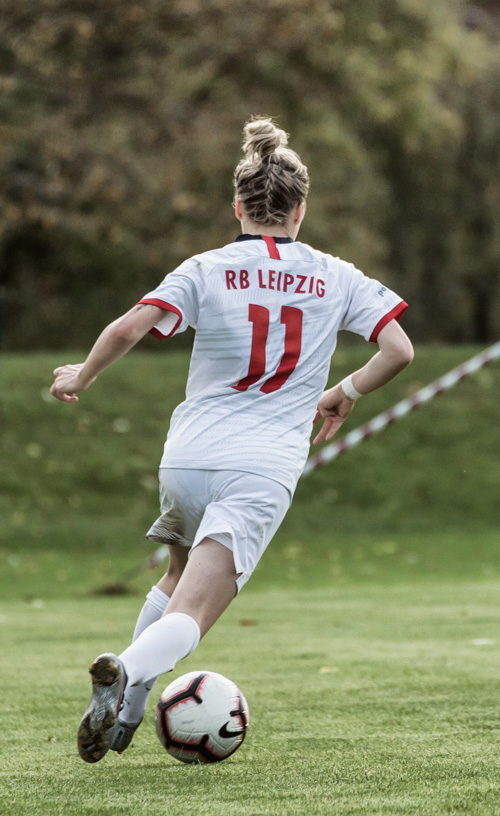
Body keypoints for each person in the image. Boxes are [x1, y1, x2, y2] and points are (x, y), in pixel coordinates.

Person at [52, 119, 413, 761]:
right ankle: (125, 672)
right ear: (301, 208)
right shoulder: (336, 274)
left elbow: (133, 326)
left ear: (237, 207)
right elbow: (398, 349)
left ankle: (126, 720)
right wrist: (346, 391)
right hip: (262, 464)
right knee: (195, 611)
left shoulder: (207, 266)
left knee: (177, 574)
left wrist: (82, 373)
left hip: (189, 455)